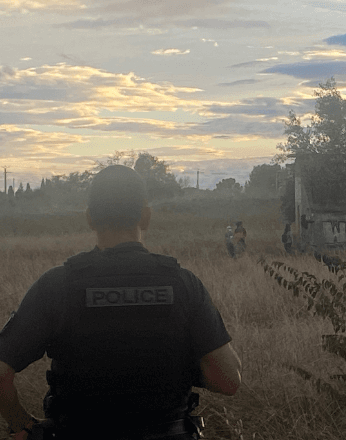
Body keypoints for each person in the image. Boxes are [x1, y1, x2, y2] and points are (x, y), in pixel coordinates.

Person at [0, 165, 241, 440]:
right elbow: (228, 380)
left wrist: (21, 424)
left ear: (90, 218)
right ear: (146, 216)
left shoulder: (57, 285)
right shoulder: (182, 285)